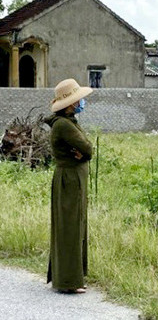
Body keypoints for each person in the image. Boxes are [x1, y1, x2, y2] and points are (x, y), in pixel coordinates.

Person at [45, 78, 93, 293]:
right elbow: (88, 149)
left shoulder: (68, 122)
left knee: (73, 226)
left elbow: (84, 151)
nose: (81, 102)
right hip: (70, 180)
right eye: (78, 99)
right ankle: (67, 281)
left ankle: (70, 277)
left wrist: (82, 154)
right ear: (71, 104)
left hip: (72, 179)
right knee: (70, 229)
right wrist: (82, 153)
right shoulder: (64, 125)